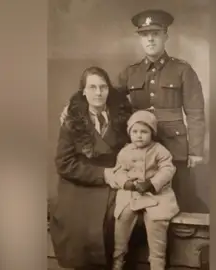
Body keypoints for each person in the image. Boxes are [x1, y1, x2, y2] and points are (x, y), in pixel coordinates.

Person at [60, 9, 206, 212]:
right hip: (139, 146)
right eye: (145, 35)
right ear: (140, 39)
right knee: (139, 200)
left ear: (166, 36)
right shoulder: (131, 72)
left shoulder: (182, 70)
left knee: (179, 201)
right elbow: (104, 93)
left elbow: (195, 110)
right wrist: (73, 105)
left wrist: (196, 150)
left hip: (175, 147)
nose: (151, 40)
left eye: (155, 33)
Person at [49, 66, 132, 270]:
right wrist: (102, 174)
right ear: (83, 91)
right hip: (80, 181)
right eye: (92, 87)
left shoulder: (122, 115)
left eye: (103, 87)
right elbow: (64, 163)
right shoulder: (72, 121)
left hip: (115, 178)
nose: (98, 93)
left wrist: (119, 173)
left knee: (118, 218)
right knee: (77, 226)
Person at [107, 110, 180, 270]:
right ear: (130, 133)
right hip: (132, 193)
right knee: (121, 219)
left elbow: (168, 169)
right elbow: (118, 171)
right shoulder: (125, 151)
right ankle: (118, 261)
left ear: (152, 133)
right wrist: (126, 183)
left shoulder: (159, 150)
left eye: (144, 132)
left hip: (156, 194)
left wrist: (152, 183)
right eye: (135, 131)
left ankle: (157, 264)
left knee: (157, 224)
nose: (139, 135)